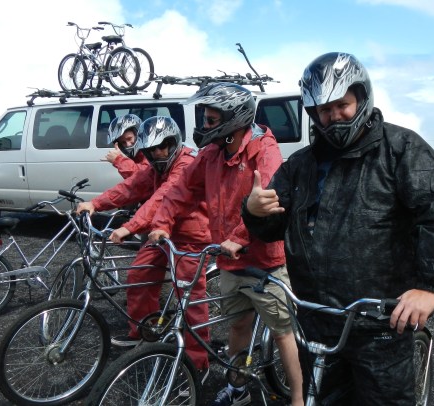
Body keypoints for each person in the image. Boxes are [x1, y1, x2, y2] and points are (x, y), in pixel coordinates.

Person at [242, 52, 434, 404]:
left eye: (341, 105)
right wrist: (254, 211)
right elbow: (271, 228)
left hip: (380, 320)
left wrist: (429, 286)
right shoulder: (300, 164)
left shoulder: (401, 148)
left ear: (362, 98)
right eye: (323, 110)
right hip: (316, 318)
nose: (333, 116)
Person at [148, 83, 304, 406]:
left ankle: (299, 399)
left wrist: (239, 238)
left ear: (234, 120)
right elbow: (180, 190)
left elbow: (271, 200)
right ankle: (238, 388)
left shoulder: (264, 150)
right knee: (238, 326)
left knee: (282, 331)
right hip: (229, 260)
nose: (204, 125)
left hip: (265, 262)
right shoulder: (211, 154)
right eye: (204, 118)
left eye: (210, 119)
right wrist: (162, 224)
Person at [76, 116, 212, 373]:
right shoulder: (156, 167)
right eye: (151, 150)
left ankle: (195, 364)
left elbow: (163, 198)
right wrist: (96, 203)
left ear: (173, 142)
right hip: (161, 232)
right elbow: (132, 186)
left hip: (190, 235)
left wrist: (130, 227)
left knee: (189, 299)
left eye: (162, 147)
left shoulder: (186, 163)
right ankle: (144, 332)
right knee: (139, 274)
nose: (157, 153)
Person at [104, 114, 149, 179]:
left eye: (129, 138)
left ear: (138, 134)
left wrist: (118, 160)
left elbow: (144, 176)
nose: (128, 144)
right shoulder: (136, 155)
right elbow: (131, 182)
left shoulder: (150, 151)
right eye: (123, 142)